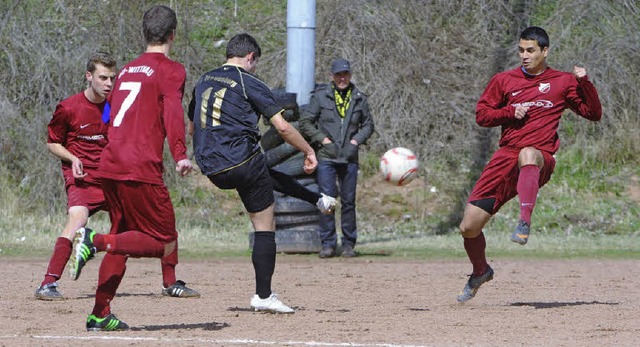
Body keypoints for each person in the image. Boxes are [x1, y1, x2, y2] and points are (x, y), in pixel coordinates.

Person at [71, 5, 195, 331]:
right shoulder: (171, 70)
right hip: (140, 168)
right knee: (165, 240)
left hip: (111, 164)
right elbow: (172, 113)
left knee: (122, 236)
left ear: (145, 34)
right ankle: (92, 242)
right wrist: (180, 154)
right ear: (172, 35)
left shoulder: (125, 71)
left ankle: (99, 313)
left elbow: (108, 118)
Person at [37, 52, 199, 302]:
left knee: (136, 231)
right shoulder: (69, 108)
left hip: (112, 176)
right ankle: (48, 283)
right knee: (78, 218)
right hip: (82, 179)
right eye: (103, 78)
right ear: (88, 77)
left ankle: (169, 282)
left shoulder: (113, 105)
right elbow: (52, 143)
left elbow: (113, 128)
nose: (109, 83)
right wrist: (73, 158)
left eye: (112, 78)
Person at [456, 26, 602, 303]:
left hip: (539, 158)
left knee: (528, 154)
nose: (524, 55)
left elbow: (593, 113)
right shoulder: (503, 80)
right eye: (521, 50)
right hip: (504, 159)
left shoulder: (563, 81)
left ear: (545, 51)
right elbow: (482, 115)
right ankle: (480, 271)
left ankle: (524, 222)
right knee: (469, 227)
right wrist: (509, 111)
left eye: (530, 50)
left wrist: (585, 83)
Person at [189, 33, 317, 314]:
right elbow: (282, 127)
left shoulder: (204, 80)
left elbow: (193, 123)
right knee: (264, 226)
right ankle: (263, 295)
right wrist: (308, 151)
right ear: (250, 57)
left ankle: (317, 199)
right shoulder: (250, 81)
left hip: (209, 165)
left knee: (261, 170)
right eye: (255, 62)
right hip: (240, 161)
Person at [299, 58, 375, 258]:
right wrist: (322, 139)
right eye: (338, 75)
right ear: (332, 76)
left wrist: (356, 141)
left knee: (349, 202)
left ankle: (349, 244)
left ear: (350, 75)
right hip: (326, 157)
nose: (342, 78)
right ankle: (328, 244)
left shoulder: (359, 97)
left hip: (349, 158)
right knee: (327, 201)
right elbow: (306, 122)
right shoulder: (321, 96)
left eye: (345, 74)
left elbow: (368, 125)